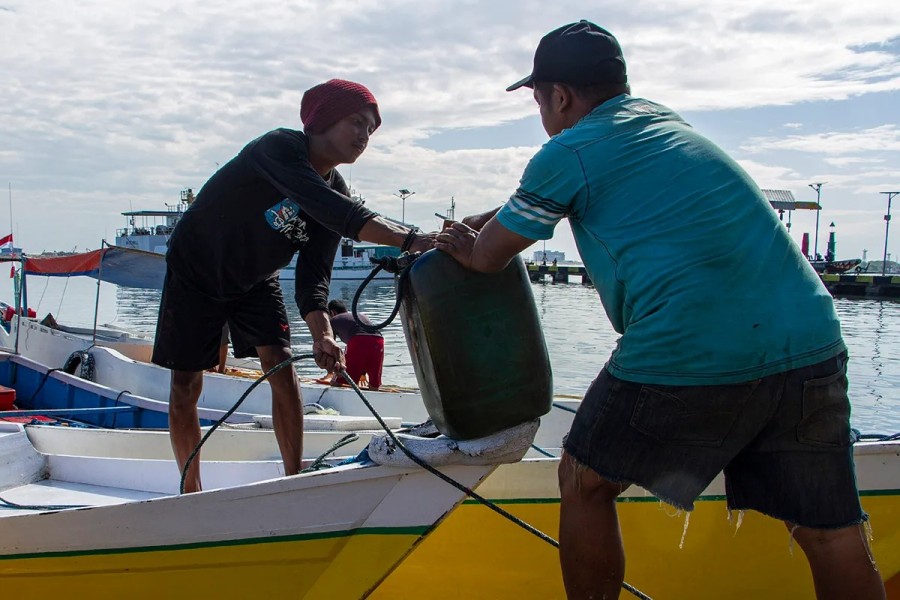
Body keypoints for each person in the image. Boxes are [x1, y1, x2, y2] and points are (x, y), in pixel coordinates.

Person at [435, 21, 885, 600]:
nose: (543, 114)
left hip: (689, 342)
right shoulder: (661, 124)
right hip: (810, 338)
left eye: (539, 100)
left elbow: (486, 259)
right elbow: (573, 190)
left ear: (561, 97)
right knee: (828, 533)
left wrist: (459, 243)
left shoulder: (566, 150)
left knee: (583, 481)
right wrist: (493, 217)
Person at [152, 79, 434, 493]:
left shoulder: (336, 189)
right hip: (196, 272)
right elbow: (332, 209)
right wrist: (412, 240)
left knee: (284, 371)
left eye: (371, 129)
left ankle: (294, 482)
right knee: (185, 386)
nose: (364, 136)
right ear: (323, 119)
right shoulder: (278, 148)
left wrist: (324, 336)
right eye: (356, 122)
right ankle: (189, 491)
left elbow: (313, 276)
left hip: (255, 281)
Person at [326, 299, 384, 390]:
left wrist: (330, 372)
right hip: (379, 341)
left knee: (337, 383)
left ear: (332, 312)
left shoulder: (333, 320)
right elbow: (367, 344)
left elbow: (331, 347)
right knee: (374, 385)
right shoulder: (359, 315)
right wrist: (362, 372)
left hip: (358, 340)